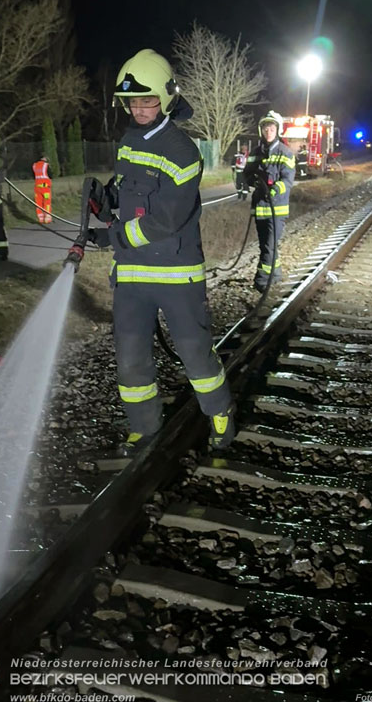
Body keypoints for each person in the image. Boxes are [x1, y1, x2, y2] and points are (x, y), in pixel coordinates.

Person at [80, 49, 235, 456]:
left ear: (166, 98)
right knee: (131, 361)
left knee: (194, 353)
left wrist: (111, 237)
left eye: (147, 99)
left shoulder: (183, 152)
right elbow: (127, 191)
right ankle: (143, 428)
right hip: (132, 276)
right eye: (132, 101)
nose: (139, 108)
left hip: (175, 273)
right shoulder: (129, 141)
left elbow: (164, 219)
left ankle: (220, 413)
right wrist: (105, 199)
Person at [243, 111, 295, 292]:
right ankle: (277, 273)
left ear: (277, 130)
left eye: (272, 128)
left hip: (277, 209)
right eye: (266, 128)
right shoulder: (256, 153)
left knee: (269, 246)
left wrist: (274, 189)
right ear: (261, 131)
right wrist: (254, 181)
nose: (268, 131)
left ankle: (263, 281)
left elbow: (288, 181)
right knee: (266, 244)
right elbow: (246, 174)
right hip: (259, 209)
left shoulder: (286, 153)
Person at [32, 155, 53, 223]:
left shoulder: (34, 165)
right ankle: (47, 218)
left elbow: (34, 176)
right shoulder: (46, 165)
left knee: (38, 203)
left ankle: (40, 218)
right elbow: (51, 175)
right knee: (47, 202)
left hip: (37, 188)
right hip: (45, 187)